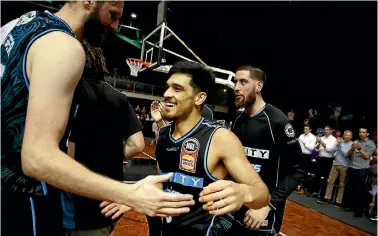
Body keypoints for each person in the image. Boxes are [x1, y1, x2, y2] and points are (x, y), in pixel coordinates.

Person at [1, 2, 194, 235]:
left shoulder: (20, 24)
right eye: (112, 14)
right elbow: (36, 158)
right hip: (25, 203)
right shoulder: (64, 46)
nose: (115, 26)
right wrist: (129, 194)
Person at [149, 61, 270, 235]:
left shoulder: (220, 138)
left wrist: (244, 193)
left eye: (177, 89)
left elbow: (262, 193)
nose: (167, 94)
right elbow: (163, 179)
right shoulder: (163, 134)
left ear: (199, 98)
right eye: (167, 87)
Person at [61, 40, 145, 235]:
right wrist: (111, 156)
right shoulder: (119, 97)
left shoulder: (70, 92)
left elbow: (68, 152)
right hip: (108, 203)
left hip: (74, 208)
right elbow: (138, 144)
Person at [230, 65, 305, 235]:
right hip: (237, 206)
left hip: (263, 213)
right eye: (236, 82)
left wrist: (269, 205)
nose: (236, 87)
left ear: (258, 86)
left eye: (243, 82)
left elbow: (298, 171)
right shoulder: (238, 121)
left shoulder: (277, 121)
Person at [342, 127, 376, 217]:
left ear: (367, 134)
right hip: (352, 167)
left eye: (363, 132)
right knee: (350, 188)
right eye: (360, 132)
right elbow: (348, 155)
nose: (361, 134)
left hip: (361, 169)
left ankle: (359, 211)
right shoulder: (356, 141)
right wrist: (353, 148)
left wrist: (359, 148)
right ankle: (350, 206)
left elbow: (367, 156)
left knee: (360, 191)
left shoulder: (371, 144)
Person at [317, 130, 353, 206]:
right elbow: (334, 151)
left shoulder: (352, 144)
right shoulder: (340, 142)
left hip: (344, 166)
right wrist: (338, 145)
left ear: (351, 137)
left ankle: (338, 201)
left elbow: (346, 154)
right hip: (335, 164)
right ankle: (327, 198)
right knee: (330, 181)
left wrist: (340, 144)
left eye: (348, 135)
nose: (346, 136)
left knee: (341, 184)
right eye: (345, 135)